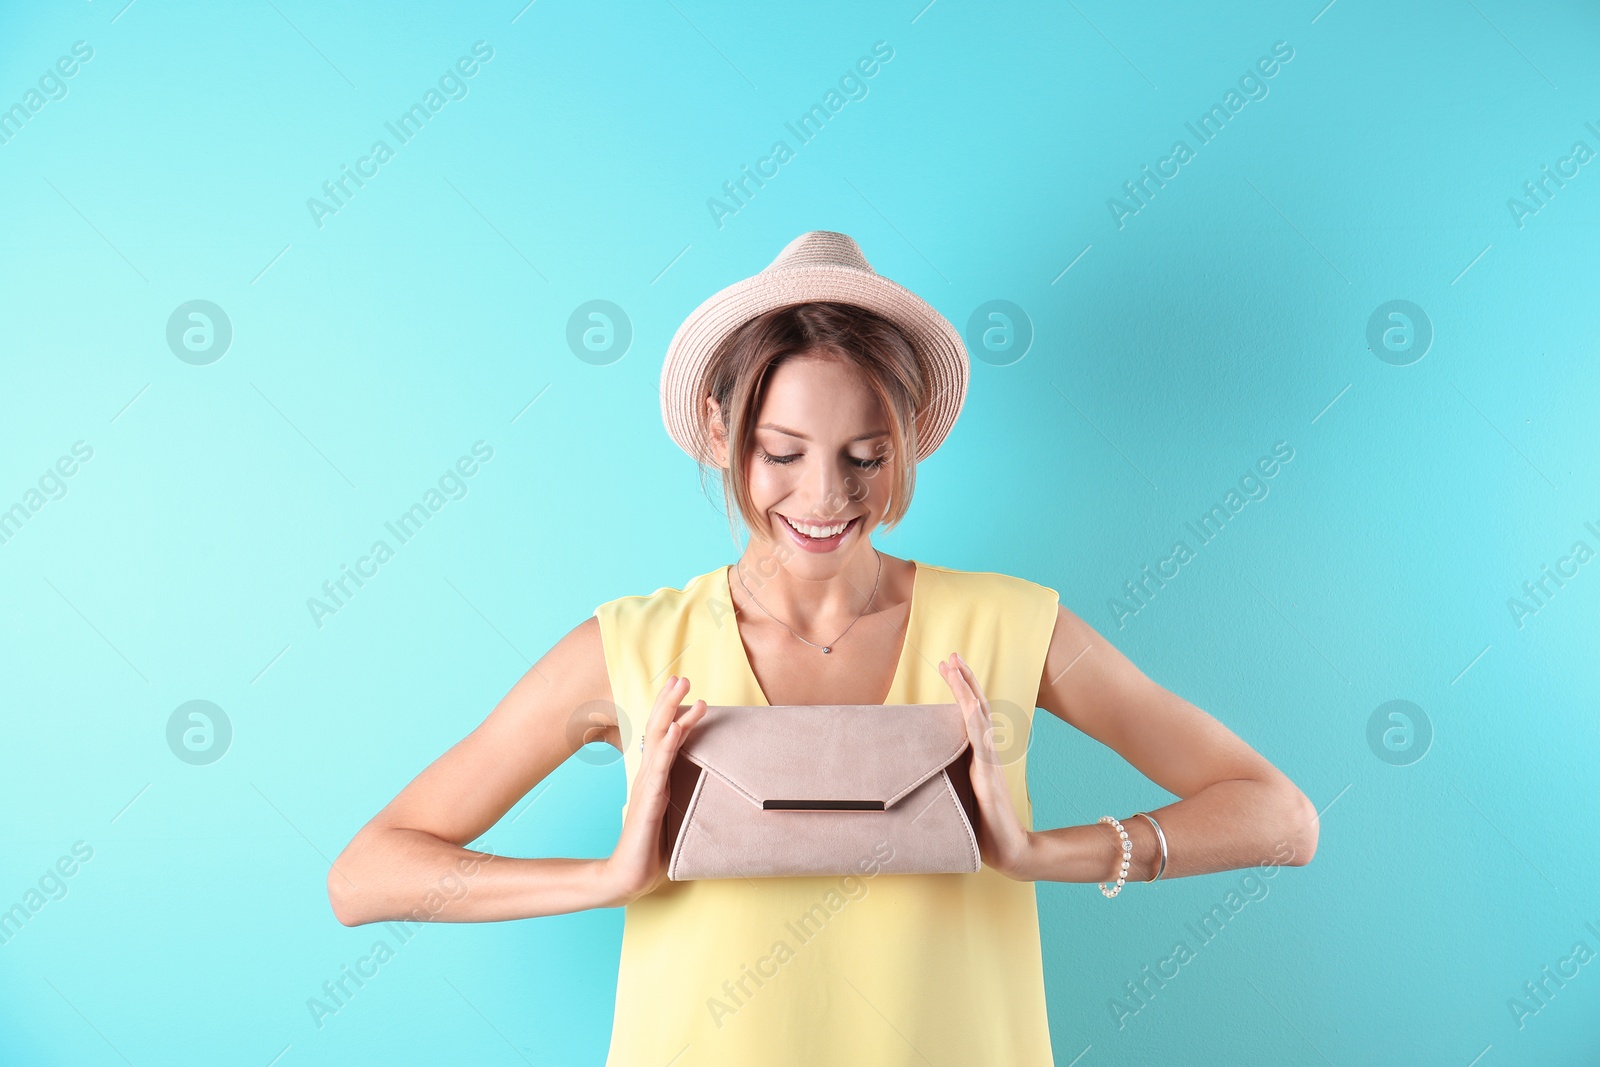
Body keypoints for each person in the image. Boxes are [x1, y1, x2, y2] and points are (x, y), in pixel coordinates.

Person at [326, 231, 1320, 1065]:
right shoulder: (628, 647)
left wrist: (1040, 852)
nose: (825, 497)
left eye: (865, 456)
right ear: (720, 432)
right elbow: (365, 874)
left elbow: (1278, 816)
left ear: (907, 442)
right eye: (782, 451)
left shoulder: (1013, 626)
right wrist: (606, 875)